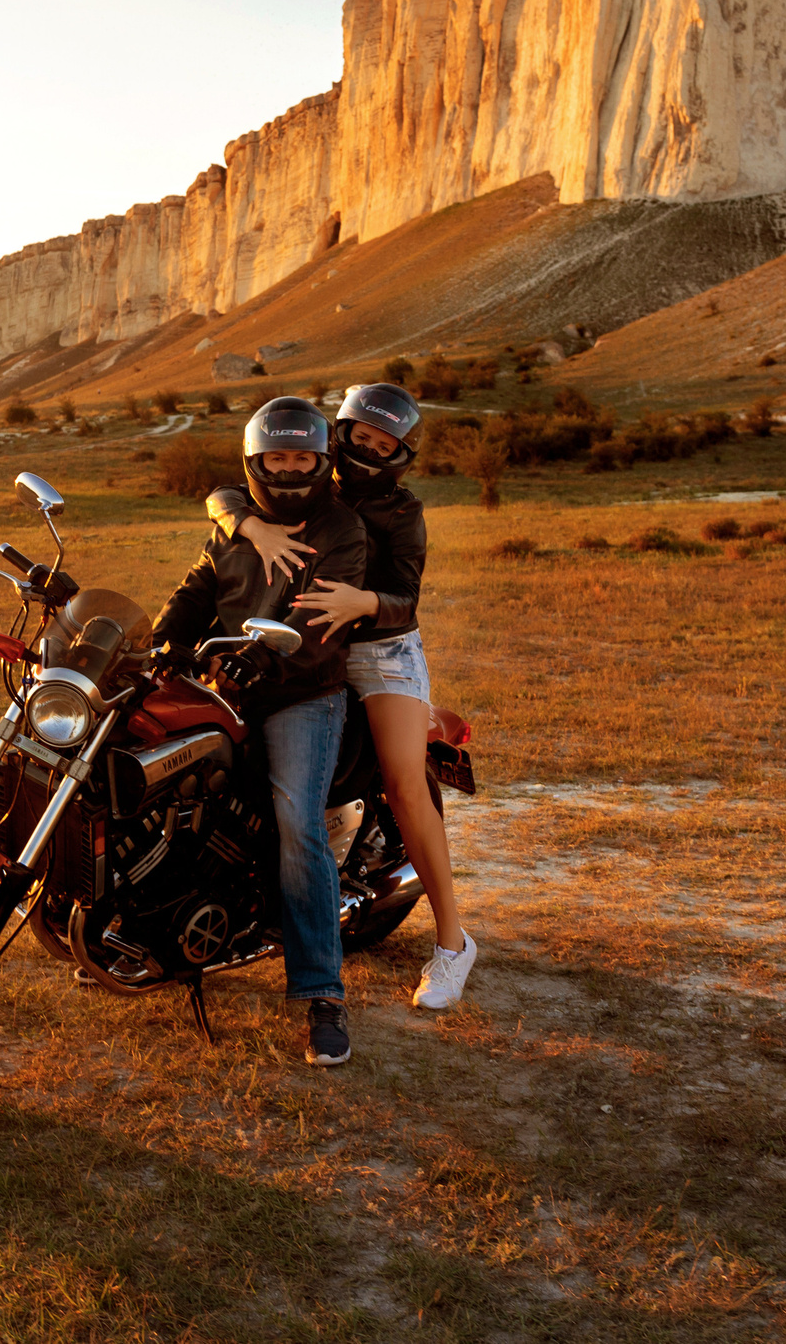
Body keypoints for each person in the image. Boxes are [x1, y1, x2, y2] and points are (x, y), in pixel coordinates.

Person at [205, 382, 475, 1012]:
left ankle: (452, 943)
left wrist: (367, 603)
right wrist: (246, 525)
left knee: (406, 784)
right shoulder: (311, 476)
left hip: (379, 650)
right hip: (299, 643)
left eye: (385, 446)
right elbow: (222, 493)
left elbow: (408, 598)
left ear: (403, 452)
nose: (368, 452)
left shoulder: (404, 513)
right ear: (340, 432)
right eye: (360, 438)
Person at [151, 396, 370, 1066]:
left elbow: (318, 622)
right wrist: (162, 639)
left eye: (303, 458)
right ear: (256, 463)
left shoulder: (341, 528)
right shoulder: (234, 527)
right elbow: (198, 587)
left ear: (322, 459)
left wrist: (258, 658)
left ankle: (321, 994)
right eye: (277, 458)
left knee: (296, 819)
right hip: (229, 684)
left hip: (302, 692)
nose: (290, 469)